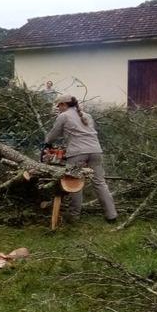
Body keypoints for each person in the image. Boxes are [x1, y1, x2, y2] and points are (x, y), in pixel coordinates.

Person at [44, 94, 118, 222]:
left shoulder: (63, 116)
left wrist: (47, 143)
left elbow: (53, 134)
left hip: (77, 153)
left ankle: (74, 215)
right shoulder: (87, 116)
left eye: (59, 106)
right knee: (100, 182)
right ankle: (112, 215)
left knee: (74, 183)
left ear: (64, 105)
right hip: (96, 151)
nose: (58, 108)